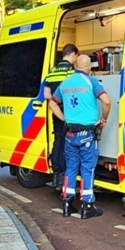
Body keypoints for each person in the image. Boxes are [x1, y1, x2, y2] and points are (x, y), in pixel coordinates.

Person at [48, 54, 112, 219]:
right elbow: (106, 101)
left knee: (70, 168)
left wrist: (64, 119)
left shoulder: (65, 83)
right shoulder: (91, 82)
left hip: (69, 133)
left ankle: (67, 204)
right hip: (87, 134)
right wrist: (104, 119)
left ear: (75, 65)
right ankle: (87, 205)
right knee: (87, 168)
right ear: (89, 68)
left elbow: (52, 103)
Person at [42, 44, 79, 190]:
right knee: (68, 144)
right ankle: (65, 178)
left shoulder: (51, 72)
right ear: (73, 54)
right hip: (68, 113)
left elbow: (46, 96)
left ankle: (56, 175)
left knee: (58, 140)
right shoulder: (71, 73)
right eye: (76, 56)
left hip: (55, 111)